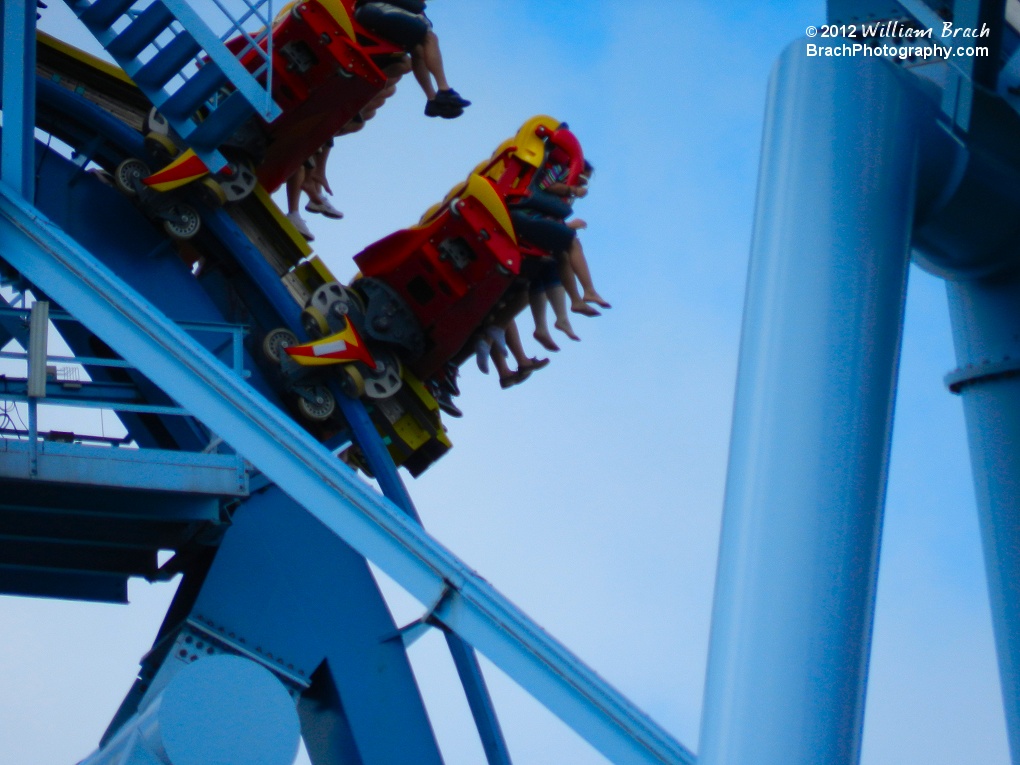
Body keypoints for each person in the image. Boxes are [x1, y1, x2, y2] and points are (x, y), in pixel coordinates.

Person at [354, 0, 470, 118]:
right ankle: (444, 90)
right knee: (429, 37)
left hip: (380, 11)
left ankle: (433, 99)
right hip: (378, 8)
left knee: (417, 49)